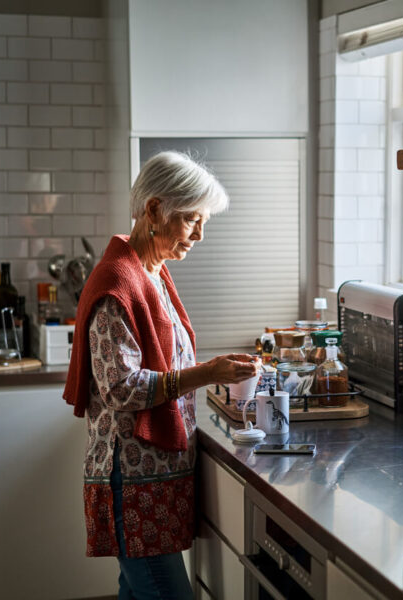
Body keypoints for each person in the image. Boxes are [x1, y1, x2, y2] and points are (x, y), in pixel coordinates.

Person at [64, 151, 257, 600]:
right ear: (154, 211)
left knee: (137, 593)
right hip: (131, 482)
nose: (200, 234)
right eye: (192, 220)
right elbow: (121, 388)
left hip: (154, 476)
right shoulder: (118, 283)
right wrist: (208, 372)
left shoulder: (152, 272)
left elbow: (165, 365)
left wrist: (212, 369)